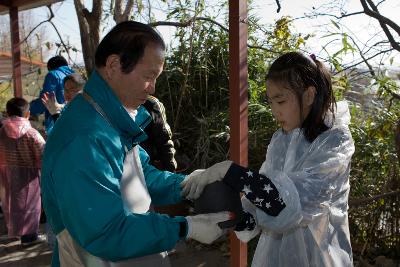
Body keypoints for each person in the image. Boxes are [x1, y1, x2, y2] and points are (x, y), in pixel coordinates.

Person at [41, 21, 230, 267]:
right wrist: (186, 227)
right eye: (148, 76)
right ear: (113, 66)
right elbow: (105, 231)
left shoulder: (108, 118)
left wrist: (188, 183)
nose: (153, 88)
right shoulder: (84, 136)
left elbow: (140, 176)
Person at [182, 52, 355, 266]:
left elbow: (292, 202)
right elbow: (262, 200)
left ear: (309, 96)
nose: (274, 111)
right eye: (271, 102)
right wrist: (229, 214)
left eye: (281, 101)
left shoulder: (335, 140)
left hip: (319, 256)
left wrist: (229, 171)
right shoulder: (280, 140)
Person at [0, 97, 45, 245]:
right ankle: (29, 237)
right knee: (29, 205)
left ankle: (14, 231)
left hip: (7, 175)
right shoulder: (32, 133)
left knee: (10, 203)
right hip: (29, 178)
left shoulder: (1, 132)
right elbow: (44, 154)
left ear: (7, 113)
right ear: (28, 114)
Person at [30, 55, 74, 133]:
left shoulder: (53, 75)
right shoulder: (76, 77)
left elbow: (45, 101)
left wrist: (27, 109)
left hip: (57, 121)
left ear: (50, 67)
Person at [140, 95, 177, 172]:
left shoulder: (150, 104)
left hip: (148, 169)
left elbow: (164, 140)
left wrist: (170, 171)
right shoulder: (113, 103)